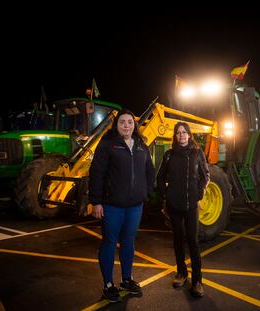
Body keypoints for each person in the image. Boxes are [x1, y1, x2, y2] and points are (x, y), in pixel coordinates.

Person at [89, 109, 155, 303]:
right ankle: (108, 284)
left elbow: (149, 171)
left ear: (134, 125)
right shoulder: (108, 145)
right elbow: (96, 173)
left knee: (129, 242)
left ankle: (127, 279)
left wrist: (146, 191)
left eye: (129, 122)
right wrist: (96, 202)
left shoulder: (142, 146)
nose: (126, 125)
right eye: (122, 122)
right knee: (109, 243)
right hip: (112, 206)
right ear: (116, 125)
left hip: (135, 206)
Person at [156, 121, 210, 298]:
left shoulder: (197, 153)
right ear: (175, 136)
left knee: (193, 241)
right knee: (178, 240)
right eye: (178, 133)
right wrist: (166, 195)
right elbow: (160, 177)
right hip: (174, 205)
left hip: (191, 205)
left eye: (184, 132)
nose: (181, 135)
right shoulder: (169, 155)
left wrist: (200, 192)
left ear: (189, 134)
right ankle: (181, 273)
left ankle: (197, 281)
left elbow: (205, 175)